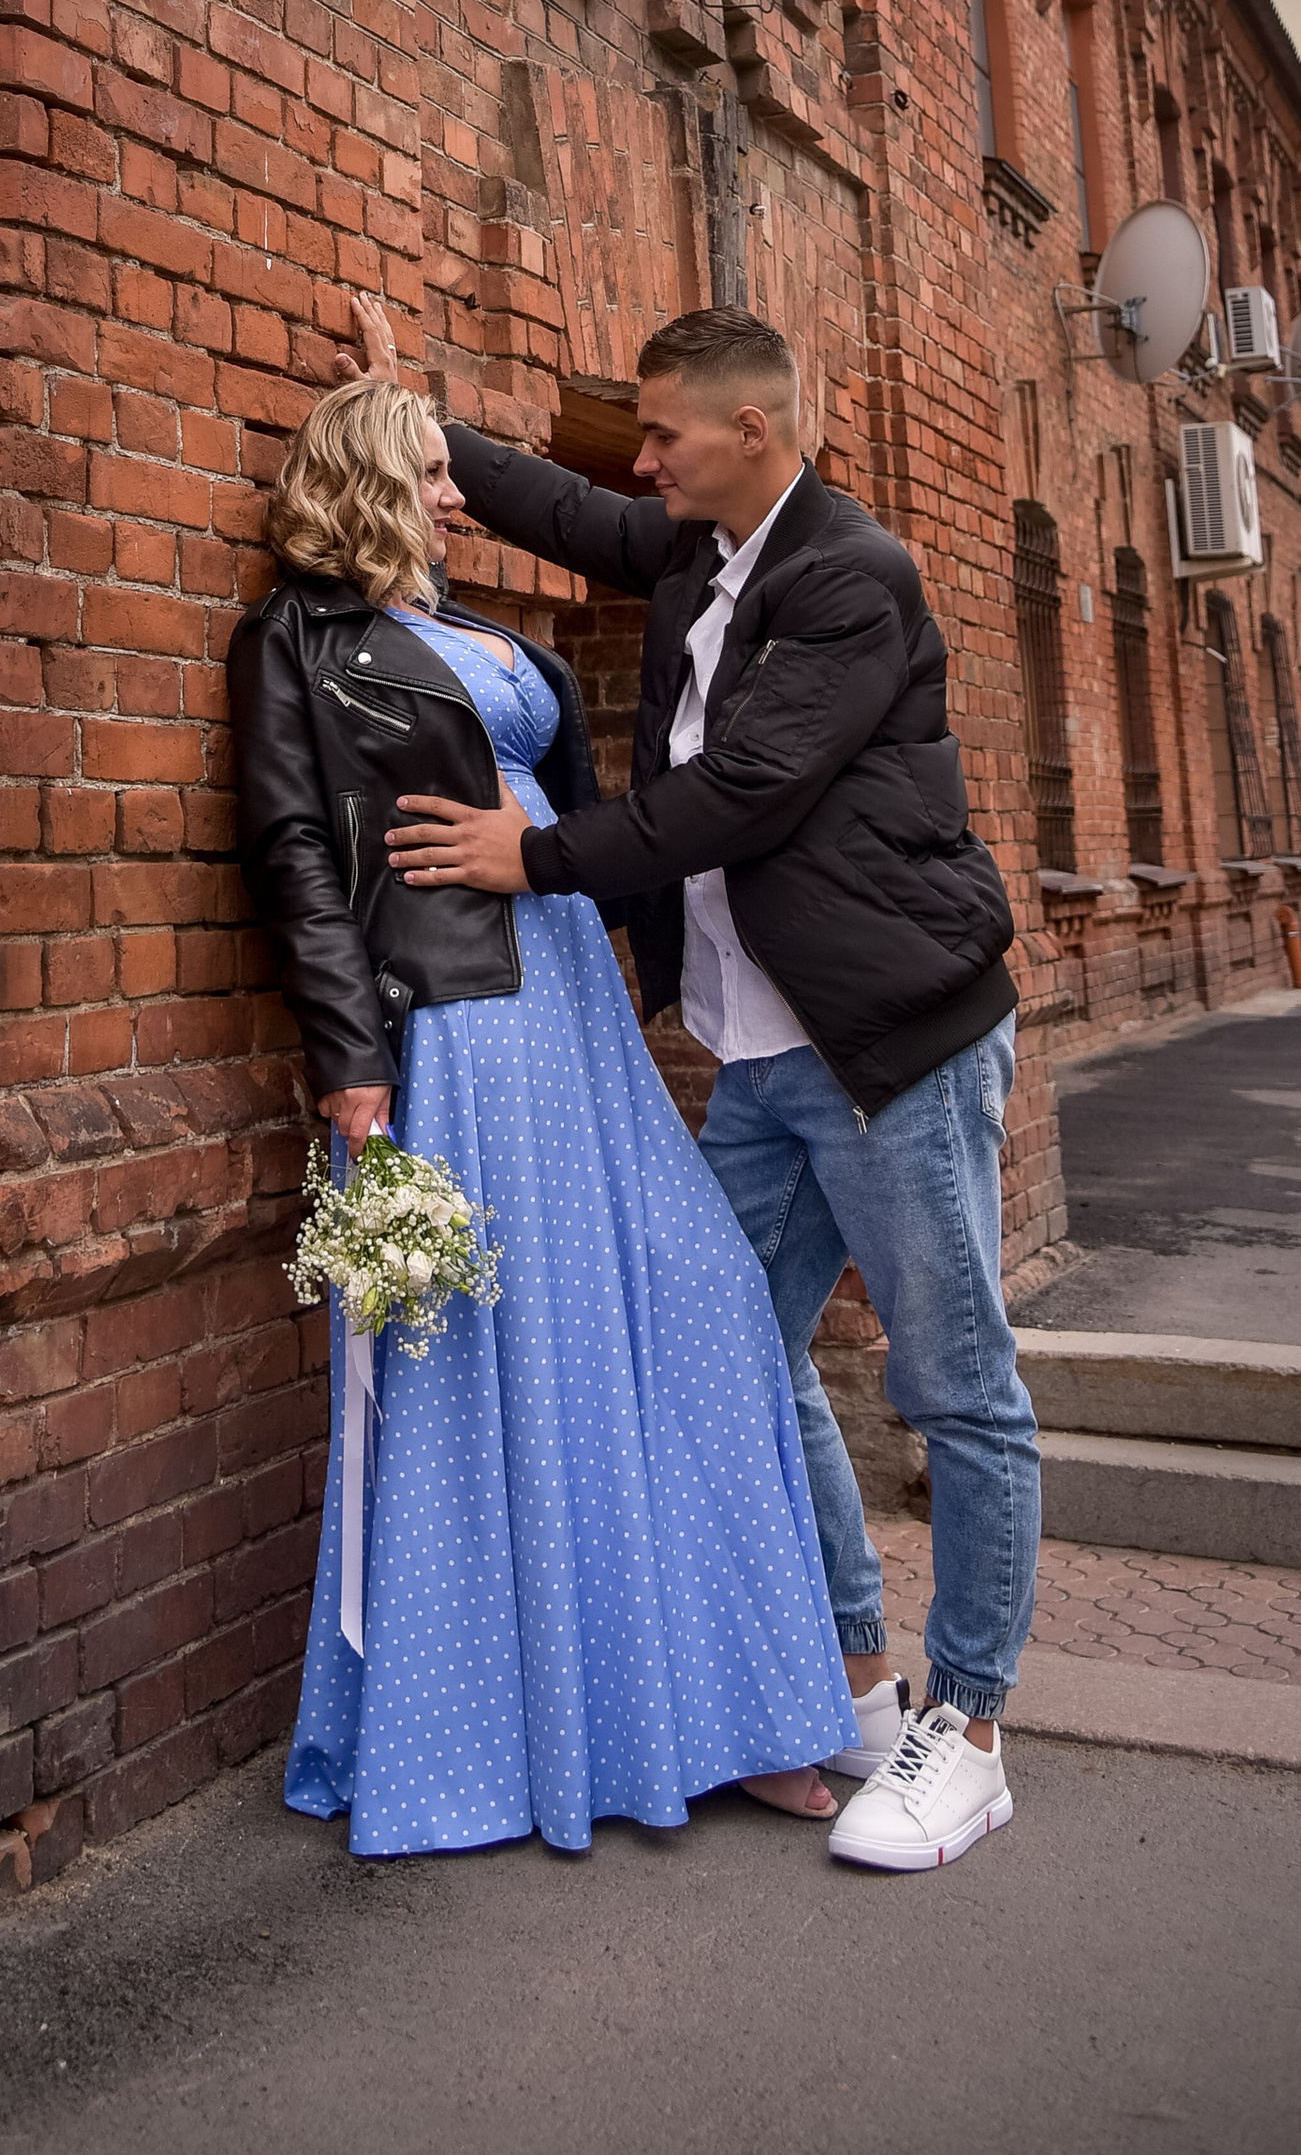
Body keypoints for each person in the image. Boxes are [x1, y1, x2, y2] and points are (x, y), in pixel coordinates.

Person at [361, 294, 1040, 1876]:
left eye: (667, 432)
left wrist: (528, 855)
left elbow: (739, 793)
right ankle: (857, 1670)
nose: (643, 456)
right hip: (762, 1055)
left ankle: (977, 1727)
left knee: (955, 1382)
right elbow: (572, 509)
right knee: (725, 1333)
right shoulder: (696, 551)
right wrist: (426, 432)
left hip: (895, 1050)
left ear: (756, 429)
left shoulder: (853, 579)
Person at [227, 371, 860, 1860]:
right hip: (456, 1017)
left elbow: (562, 801)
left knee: (694, 1305)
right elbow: (295, 854)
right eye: (435, 475)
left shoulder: (467, 627)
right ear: (374, 483)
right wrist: (349, 1059)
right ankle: (508, 1731)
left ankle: (734, 1700)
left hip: (573, 997)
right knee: (492, 1359)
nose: (459, 498)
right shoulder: (297, 639)